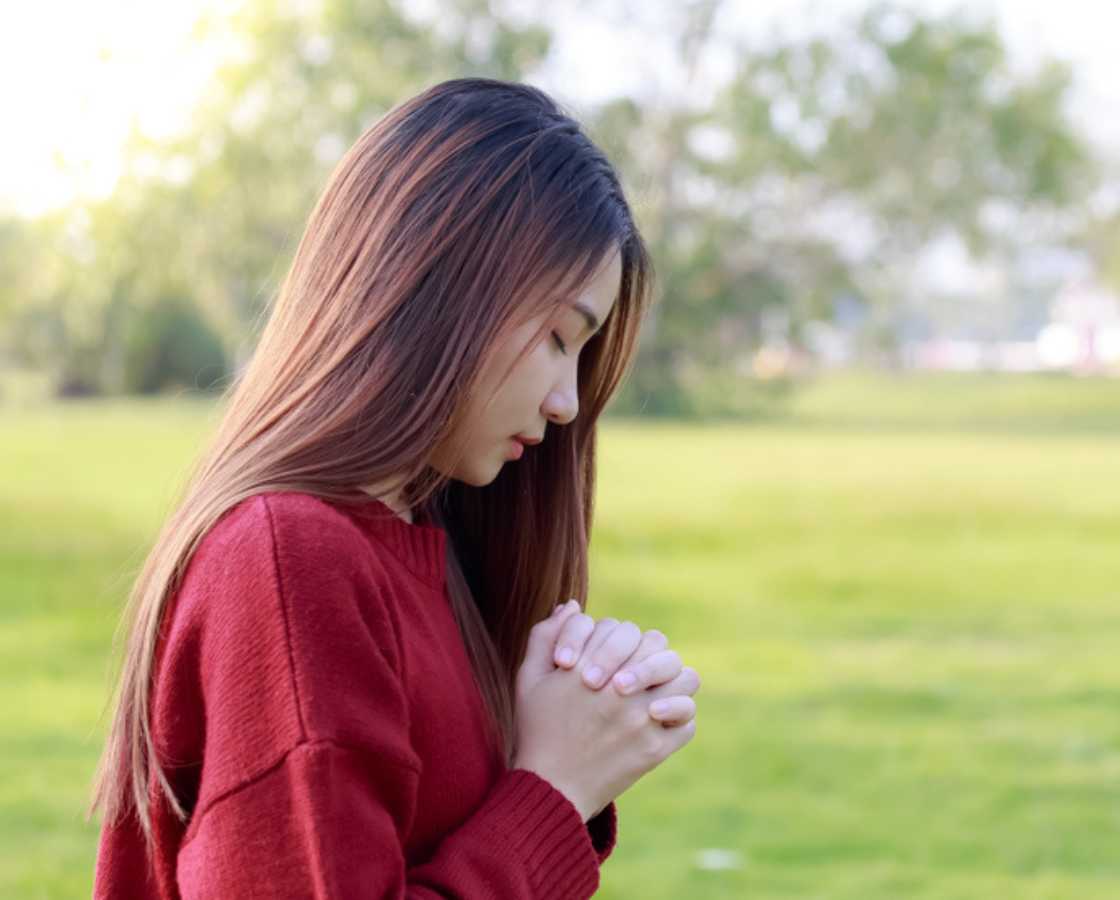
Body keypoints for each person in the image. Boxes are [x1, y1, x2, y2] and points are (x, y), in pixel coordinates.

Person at [87, 77, 699, 899]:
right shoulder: (291, 563)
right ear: (439, 284)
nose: (567, 403)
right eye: (559, 336)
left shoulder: (424, 552)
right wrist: (554, 788)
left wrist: (569, 725)